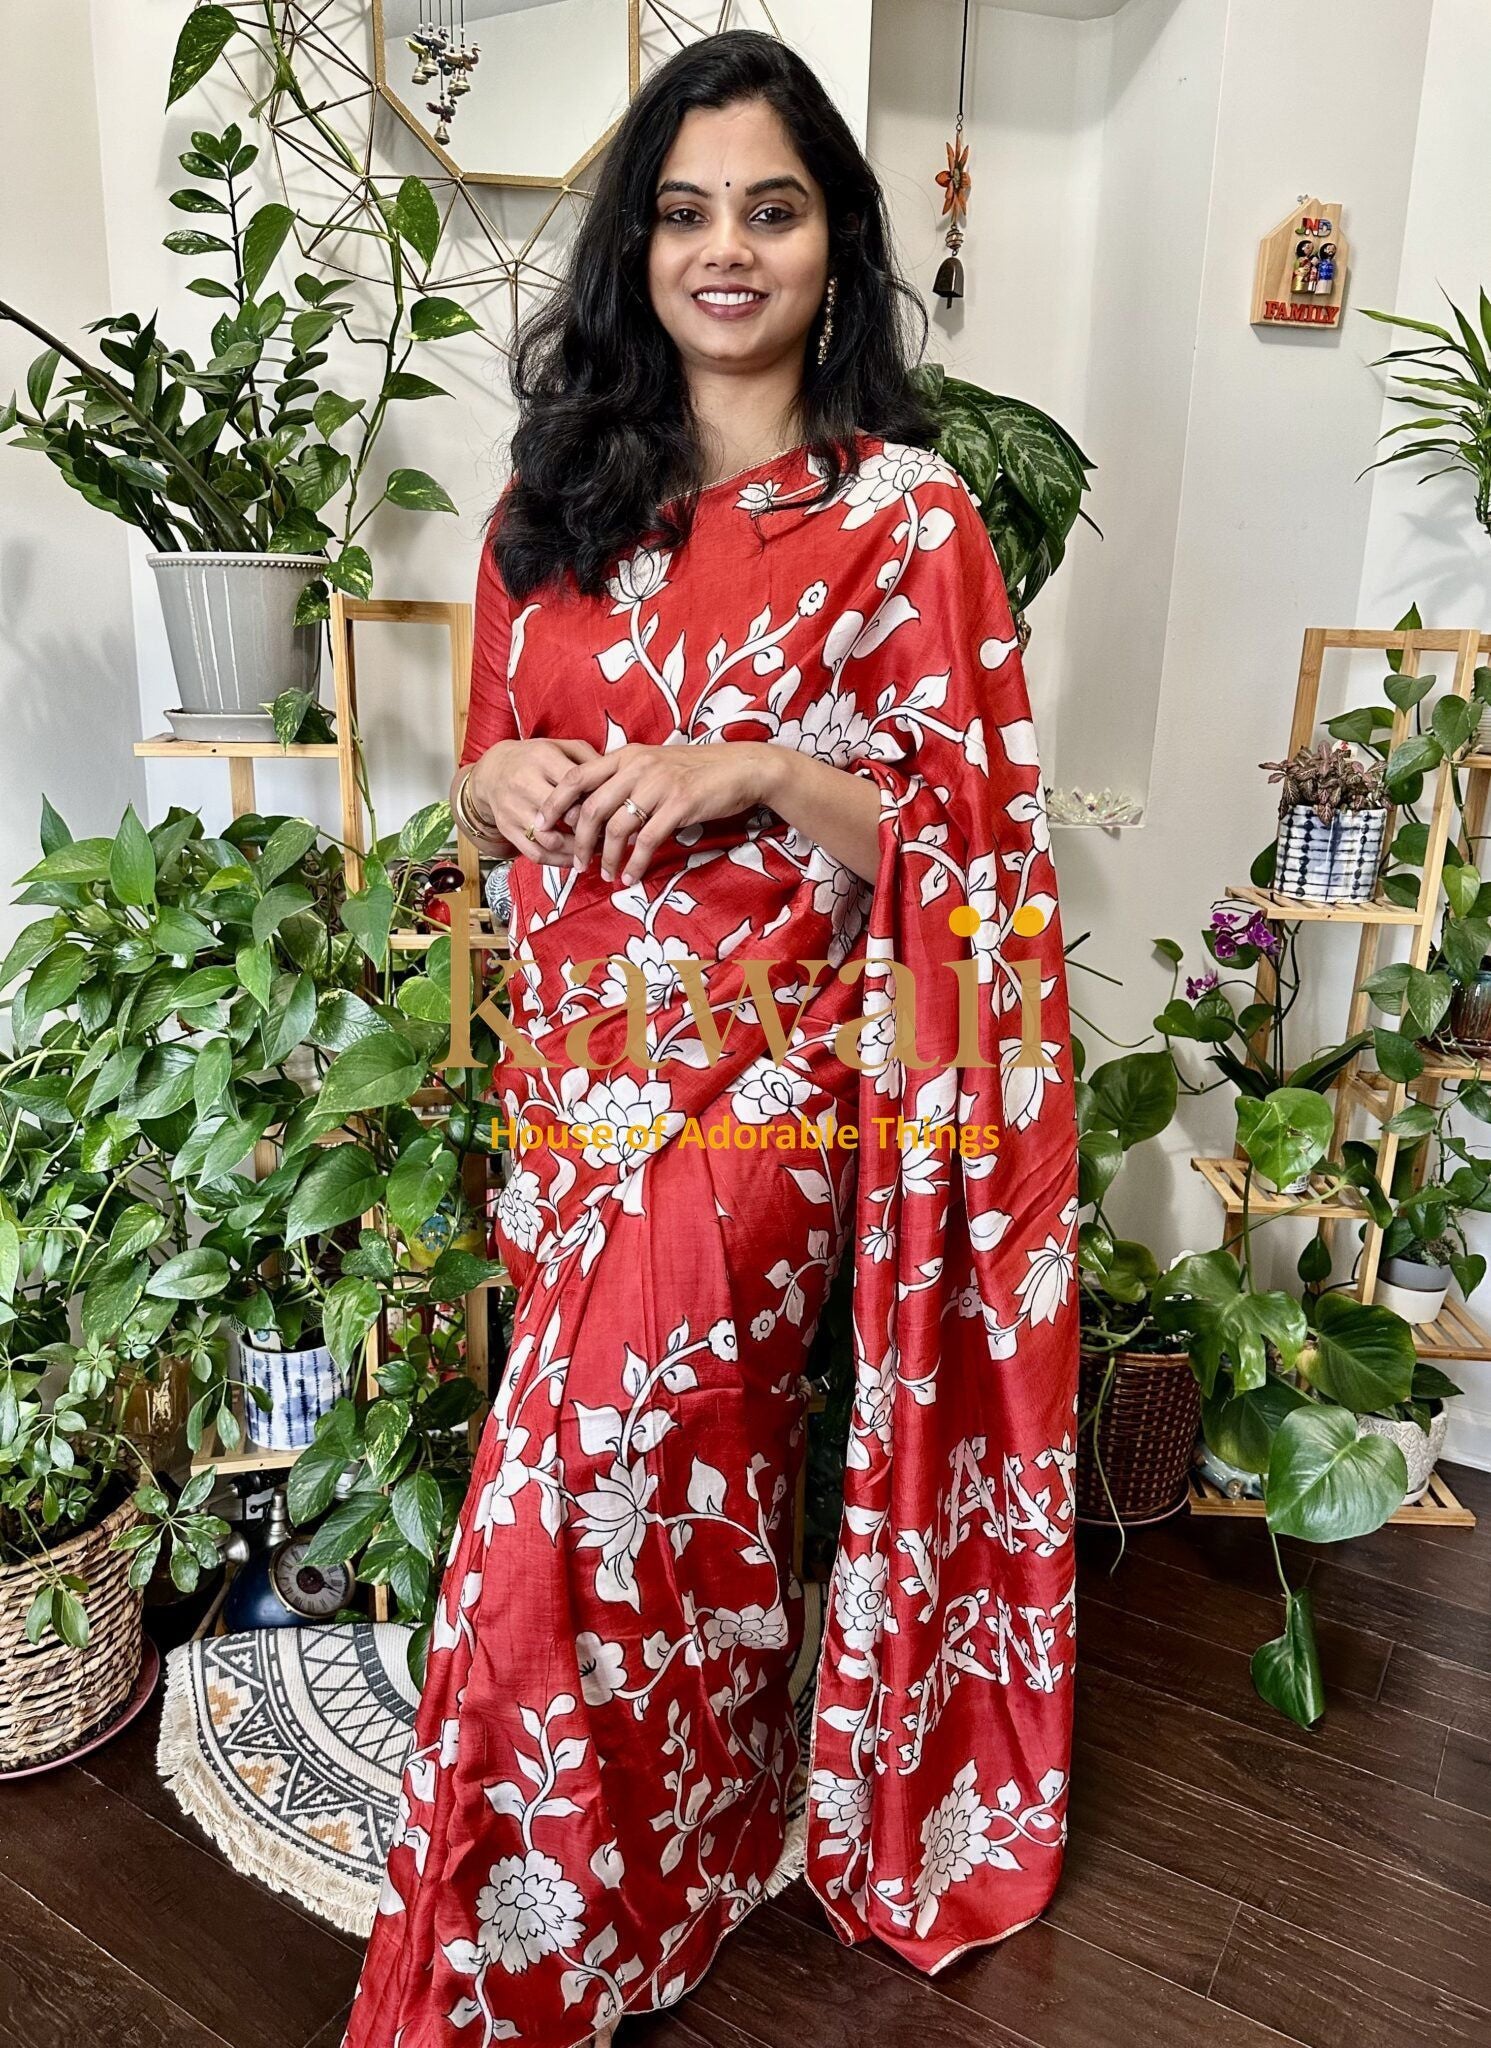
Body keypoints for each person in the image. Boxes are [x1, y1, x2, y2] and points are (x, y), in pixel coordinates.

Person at [341, 28, 1078, 2048]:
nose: (723, 250)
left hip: (759, 1088)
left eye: (770, 208)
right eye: (682, 212)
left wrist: (757, 764)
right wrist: (492, 784)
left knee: (570, 1506)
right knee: (658, 1502)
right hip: (569, 1074)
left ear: (837, 243)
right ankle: (676, 1828)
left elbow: (969, 838)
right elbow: (489, 749)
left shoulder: (904, 519)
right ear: (634, 246)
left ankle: (493, 1963)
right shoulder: (551, 492)